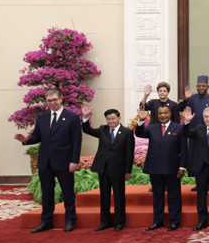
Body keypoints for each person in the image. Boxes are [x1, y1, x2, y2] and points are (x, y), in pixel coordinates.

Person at [15, 89, 82, 233]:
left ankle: (70, 220)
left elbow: (77, 141)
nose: (52, 103)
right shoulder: (42, 117)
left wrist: (74, 160)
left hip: (64, 161)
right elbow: (37, 136)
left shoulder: (72, 117)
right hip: (45, 161)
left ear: (61, 99)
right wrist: (27, 140)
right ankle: (46, 221)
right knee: (47, 193)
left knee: (68, 192)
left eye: (54, 100)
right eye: (49, 101)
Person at [81, 104, 135, 231]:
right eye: (108, 119)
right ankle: (105, 221)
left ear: (119, 118)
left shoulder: (127, 132)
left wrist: (128, 171)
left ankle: (119, 222)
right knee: (104, 196)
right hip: (103, 168)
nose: (111, 121)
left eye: (113, 118)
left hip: (118, 169)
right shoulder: (103, 129)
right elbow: (87, 130)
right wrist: (85, 117)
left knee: (118, 197)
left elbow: (129, 153)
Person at [136, 105, 186, 231]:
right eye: (160, 113)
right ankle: (157, 221)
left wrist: (182, 167)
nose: (163, 115)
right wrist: (141, 120)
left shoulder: (179, 128)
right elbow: (140, 133)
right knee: (157, 195)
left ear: (170, 114)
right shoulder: (152, 127)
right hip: (155, 167)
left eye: (165, 113)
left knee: (174, 195)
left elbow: (184, 149)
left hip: (172, 168)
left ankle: (174, 221)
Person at [178, 75, 209, 192]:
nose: (201, 87)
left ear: (208, 86)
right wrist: (185, 99)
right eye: (198, 86)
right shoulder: (192, 98)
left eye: (203, 85)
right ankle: (199, 183)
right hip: (195, 134)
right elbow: (180, 108)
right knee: (196, 158)